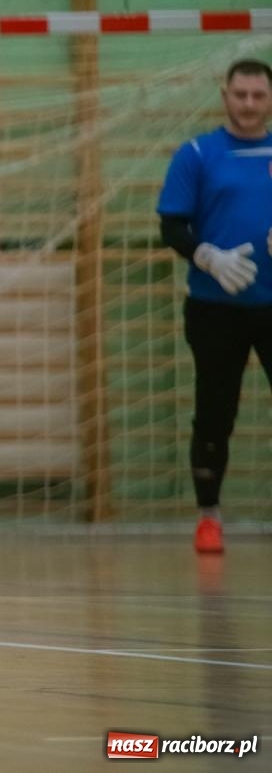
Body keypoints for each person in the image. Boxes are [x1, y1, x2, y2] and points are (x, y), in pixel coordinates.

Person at [157, 57, 272, 556]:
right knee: (214, 415)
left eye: (259, 95)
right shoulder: (197, 153)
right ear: (224, 95)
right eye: (240, 94)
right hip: (214, 308)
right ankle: (209, 517)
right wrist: (206, 255)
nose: (249, 103)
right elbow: (172, 226)